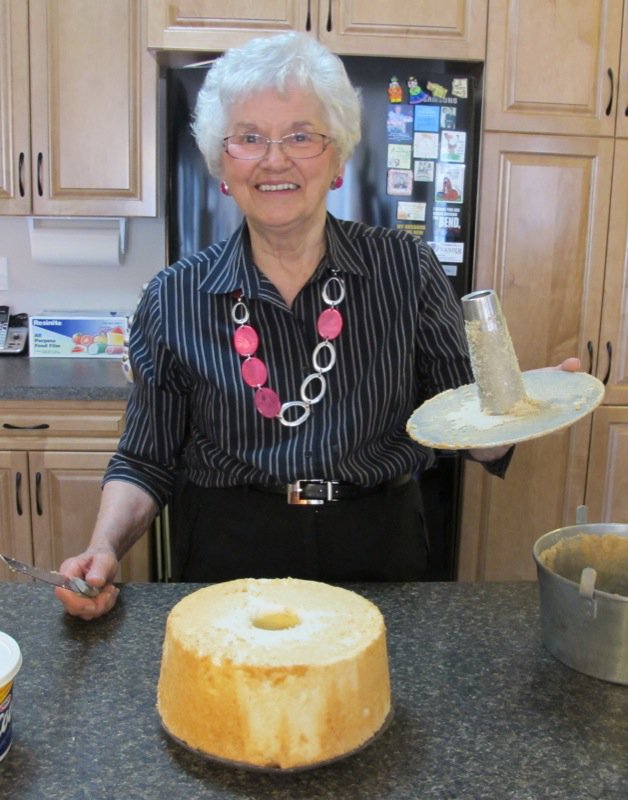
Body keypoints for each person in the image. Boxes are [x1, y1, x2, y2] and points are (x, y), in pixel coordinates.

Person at [55, 32, 580, 620]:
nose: (275, 159)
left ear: (337, 159)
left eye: (301, 136)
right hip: (228, 552)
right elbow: (145, 460)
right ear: (222, 164)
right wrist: (103, 547)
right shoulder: (173, 296)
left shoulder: (406, 268)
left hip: (378, 548)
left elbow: (467, 423)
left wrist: (521, 410)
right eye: (249, 137)